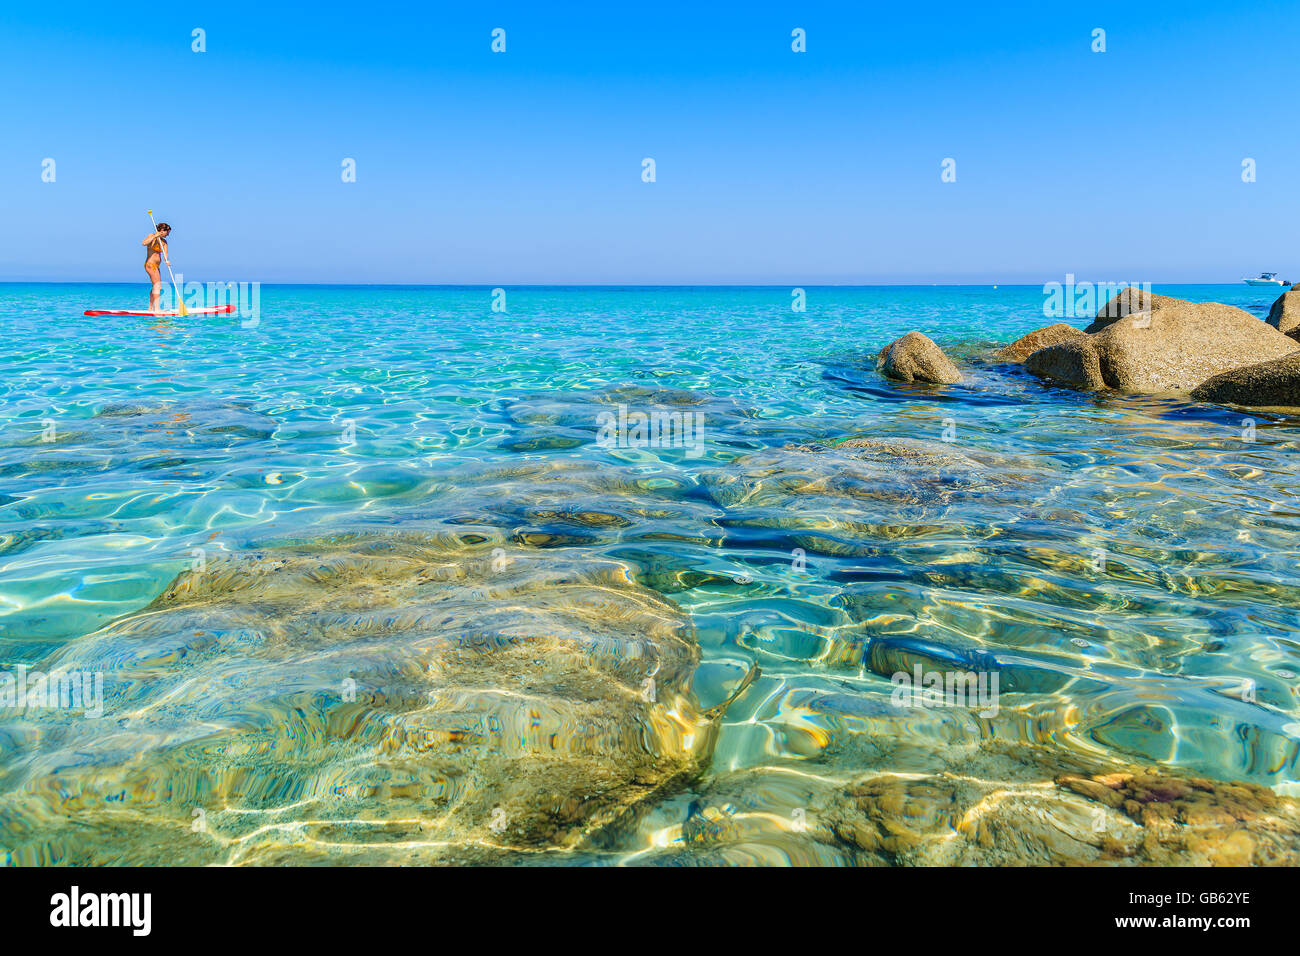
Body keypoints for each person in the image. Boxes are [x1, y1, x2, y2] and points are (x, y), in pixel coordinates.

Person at [142, 223, 172, 313]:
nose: (168, 234)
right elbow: (144, 243)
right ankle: (157, 308)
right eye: (167, 232)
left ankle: (151, 308)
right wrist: (155, 236)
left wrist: (167, 260)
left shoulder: (164, 242)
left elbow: (165, 254)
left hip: (157, 266)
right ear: (162, 231)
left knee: (156, 286)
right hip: (150, 265)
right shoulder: (152, 236)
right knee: (157, 286)